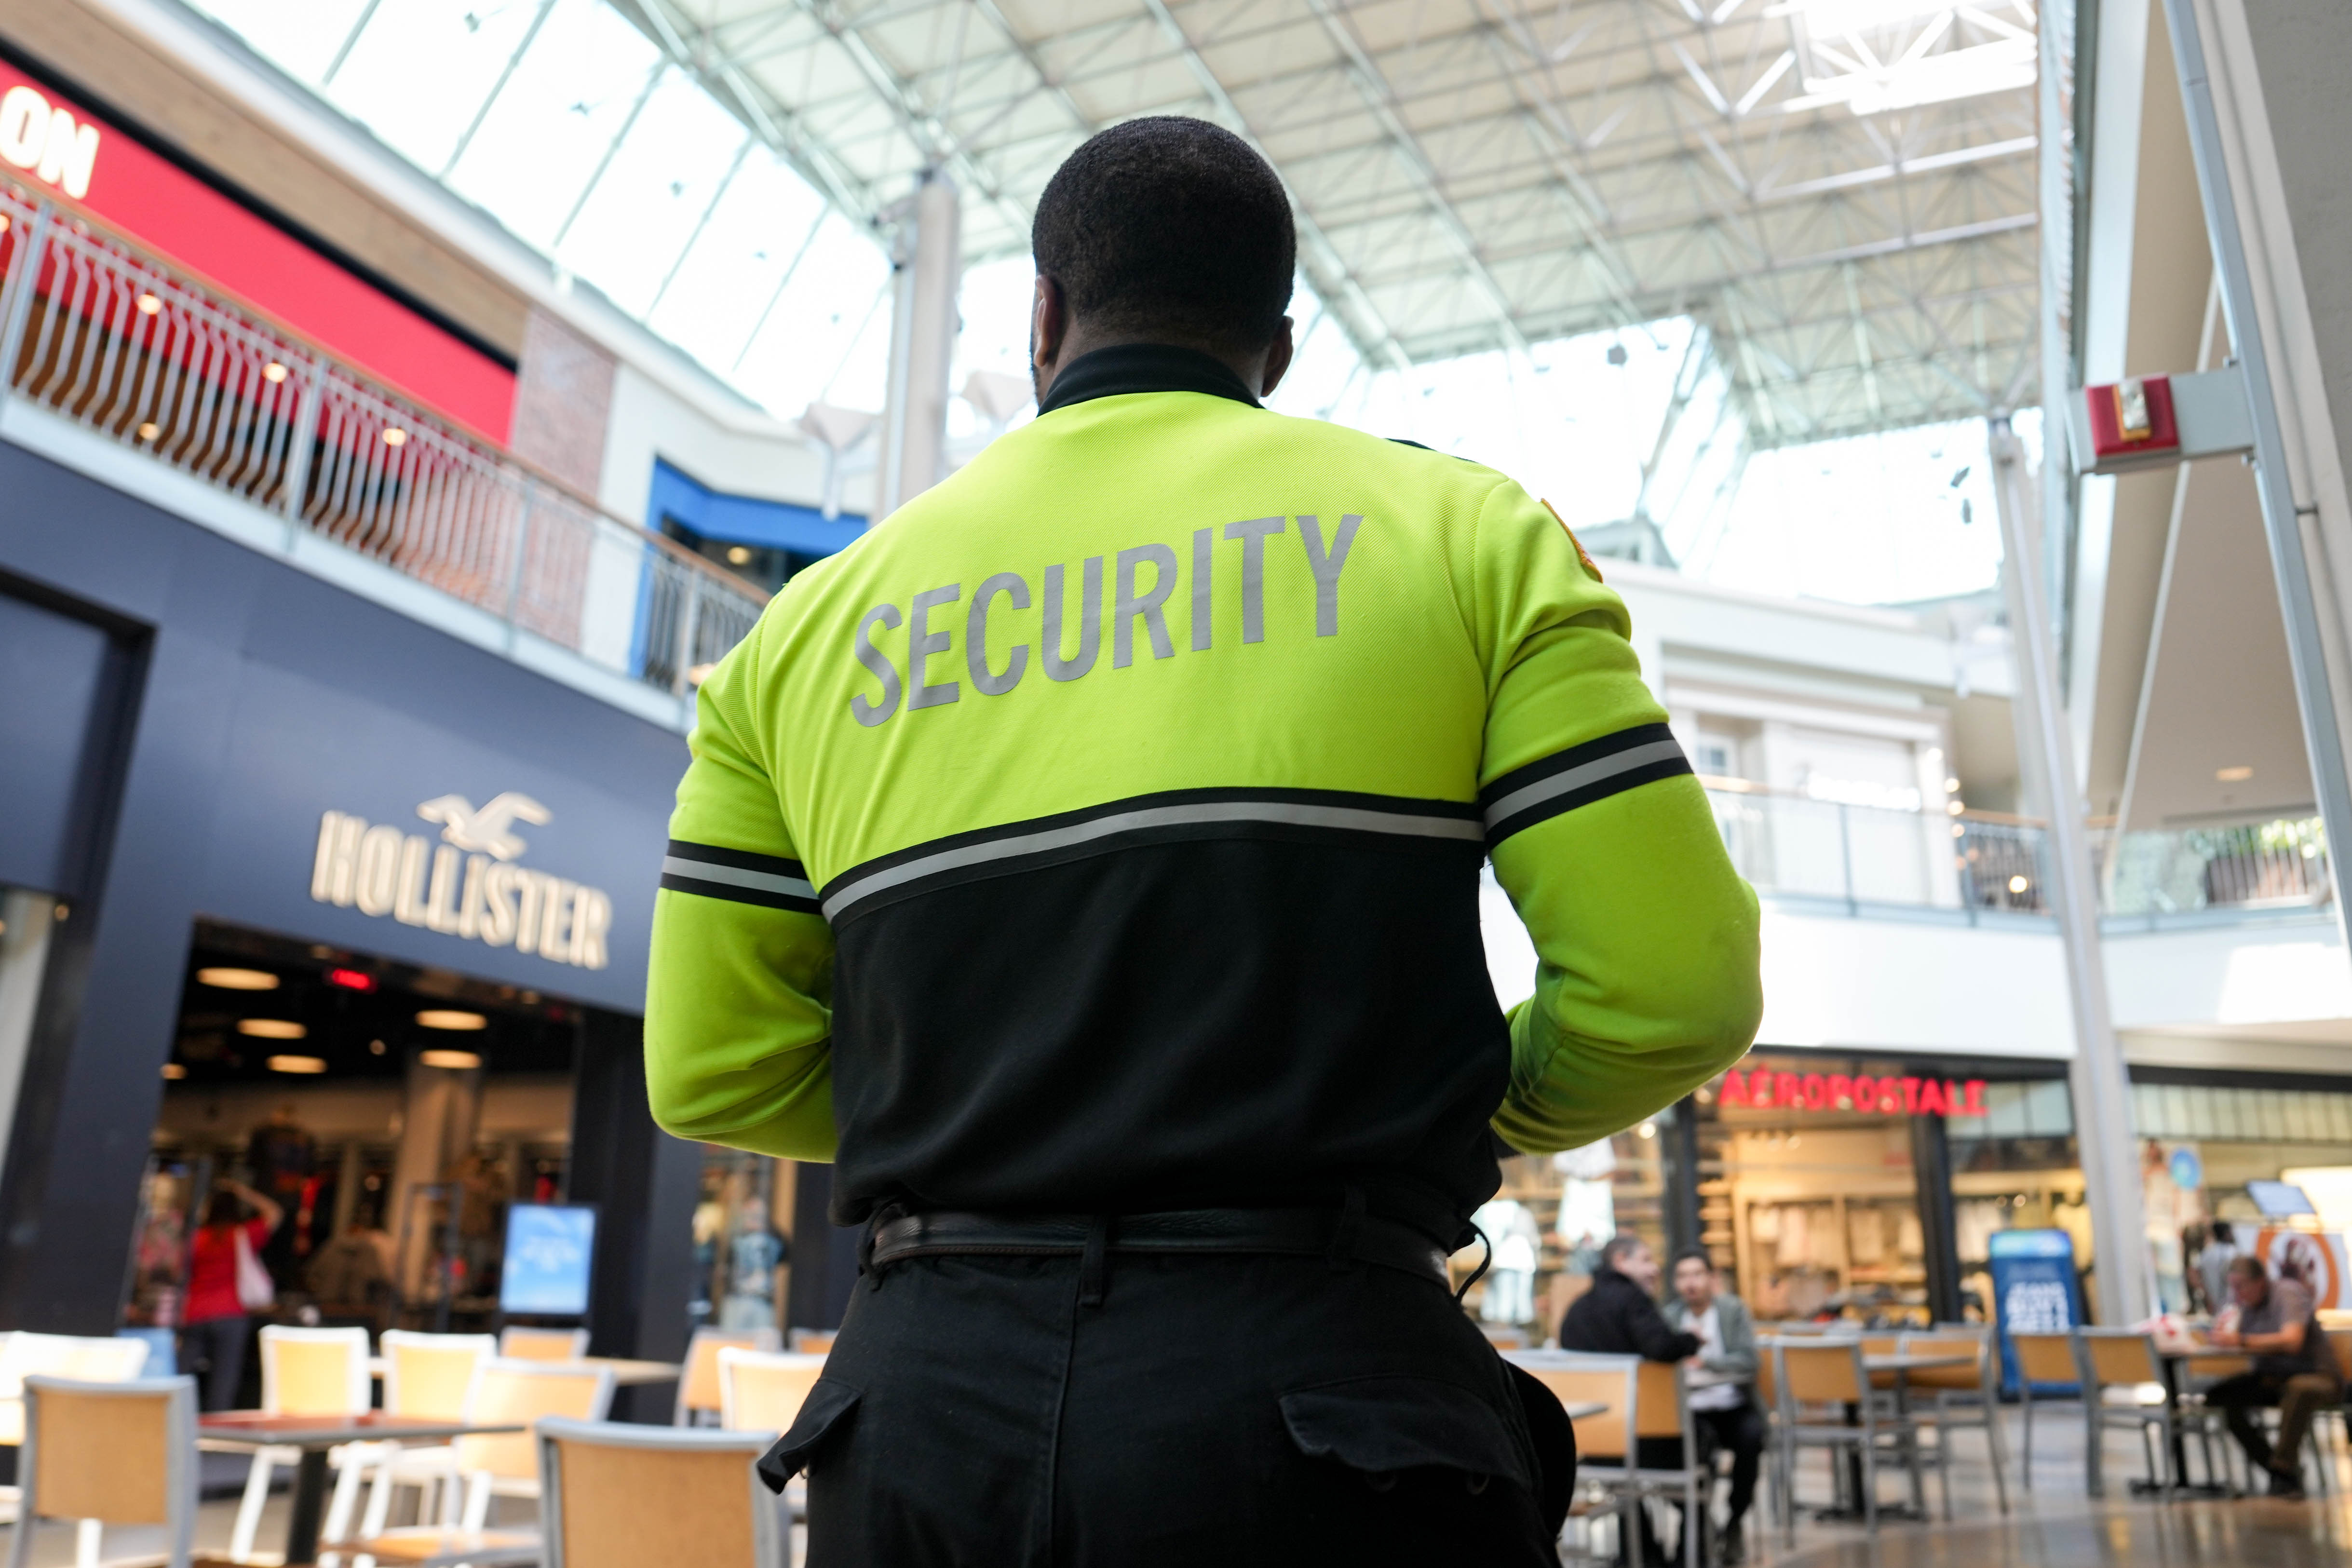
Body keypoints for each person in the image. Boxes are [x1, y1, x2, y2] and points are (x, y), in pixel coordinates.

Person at [644, 114, 1763, 1567]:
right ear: (1278, 351)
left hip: (922, 1420)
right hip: (1328, 1405)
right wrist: (1423, 1110)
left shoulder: (798, 639)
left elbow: (707, 1066)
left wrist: (1011, 1112)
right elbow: (1678, 987)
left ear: (1042, 318)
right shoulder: (1468, 536)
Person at [1560, 1236, 1704, 1565]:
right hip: (1648, 1441)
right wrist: (1691, 1341)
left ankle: (1642, 1552)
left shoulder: (1577, 1310)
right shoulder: (1633, 1300)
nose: (1655, 1268)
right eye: (1646, 1259)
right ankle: (1692, 1552)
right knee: (1698, 1451)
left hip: (1596, 1443)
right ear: (1622, 1261)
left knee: (1628, 1485)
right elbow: (1662, 1348)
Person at [2205, 1254, 2342, 1498]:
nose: (2237, 1294)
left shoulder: (2287, 1294)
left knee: (2299, 1389)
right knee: (2219, 1397)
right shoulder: (2239, 1303)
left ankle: (2283, 1470)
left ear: (2261, 1282)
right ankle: (2280, 1471)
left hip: (2316, 1374)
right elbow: (2226, 1332)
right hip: (2273, 1375)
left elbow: (2293, 1341)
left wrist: (2243, 1340)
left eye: (2241, 1287)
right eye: (2232, 1287)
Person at [1663, 1248, 1765, 1565]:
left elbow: (1749, 1360)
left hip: (1732, 1405)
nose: (1690, 1283)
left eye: (1697, 1274)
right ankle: (1701, 1524)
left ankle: (1735, 1520)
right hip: (1690, 1410)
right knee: (1677, 1451)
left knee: (1752, 1439)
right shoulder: (1670, 1316)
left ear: (1712, 1278)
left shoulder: (1732, 1310)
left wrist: (1706, 1360)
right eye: (1682, 1276)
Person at [180, 1179, 284, 1411]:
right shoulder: (242, 1235)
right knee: (224, 1379)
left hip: (195, 1312)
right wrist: (243, 1190)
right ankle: (215, 1435)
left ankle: (175, 1419)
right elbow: (275, 1212)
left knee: (182, 1374)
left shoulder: (197, 1238)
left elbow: (180, 1273)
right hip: (231, 1313)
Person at [2197, 1220, 2238, 1317]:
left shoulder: (2208, 1252)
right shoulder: (2233, 1252)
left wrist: (2206, 1292)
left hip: (2214, 1303)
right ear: (2227, 1233)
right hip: (2231, 1305)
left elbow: (2192, 1272)